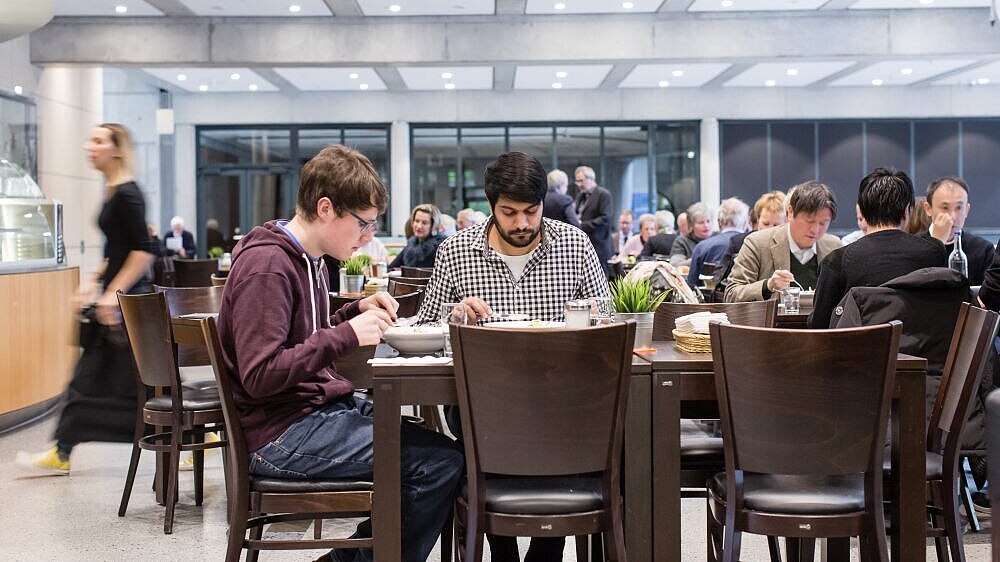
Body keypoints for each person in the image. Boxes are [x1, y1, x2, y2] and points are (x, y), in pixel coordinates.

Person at [217, 145, 463, 562]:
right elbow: (260, 375)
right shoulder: (269, 266)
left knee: (443, 452)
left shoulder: (308, 258)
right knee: (437, 465)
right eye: (363, 224)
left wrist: (353, 310)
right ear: (326, 208)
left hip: (310, 413)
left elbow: (303, 334)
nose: (368, 237)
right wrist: (347, 334)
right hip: (281, 433)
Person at [416, 151, 610, 562]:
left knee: (580, 420)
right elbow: (424, 329)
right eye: (509, 212)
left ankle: (546, 549)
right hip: (482, 403)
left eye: (531, 211)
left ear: (544, 204)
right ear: (491, 205)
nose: (522, 224)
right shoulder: (456, 251)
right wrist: (455, 315)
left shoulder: (574, 245)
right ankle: (501, 546)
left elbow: (607, 317)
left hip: (562, 400)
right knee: (478, 420)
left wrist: (589, 315)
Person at [16, 123, 157, 475]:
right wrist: (92, 281)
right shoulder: (112, 191)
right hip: (117, 302)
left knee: (128, 382)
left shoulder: (127, 194)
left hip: (126, 304)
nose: (88, 146)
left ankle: (180, 438)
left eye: (98, 140)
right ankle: (62, 449)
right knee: (94, 378)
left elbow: (144, 250)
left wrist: (112, 294)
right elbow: (118, 249)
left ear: (117, 149)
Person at [808, 168, 948, 329]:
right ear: (907, 210)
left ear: (863, 212)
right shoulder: (934, 252)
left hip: (859, 352)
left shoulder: (836, 261)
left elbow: (818, 326)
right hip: (924, 352)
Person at [724, 182, 840, 303]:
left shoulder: (834, 247)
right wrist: (767, 285)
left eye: (823, 223)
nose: (815, 230)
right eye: (809, 221)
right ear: (790, 213)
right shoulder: (757, 243)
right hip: (773, 321)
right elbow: (731, 294)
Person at [920, 176, 995, 285]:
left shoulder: (983, 250)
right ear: (928, 209)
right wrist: (936, 243)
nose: (953, 216)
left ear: (967, 210)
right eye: (945, 208)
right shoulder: (913, 247)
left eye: (959, 208)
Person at [712, 190, 787, 290]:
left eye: (776, 225)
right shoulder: (739, 242)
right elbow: (719, 279)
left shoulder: (792, 246)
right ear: (757, 220)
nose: (769, 229)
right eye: (765, 223)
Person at [686, 197, 749, 287]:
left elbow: (692, 286)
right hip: (750, 300)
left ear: (719, 222)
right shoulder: (755, 245)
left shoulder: (702, 247)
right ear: (746, 223)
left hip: (711, 300)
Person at [574, 165, 613, 276]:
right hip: (583, 246)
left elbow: (605, 218)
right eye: (577, 181)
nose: (579, 184)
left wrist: (582, 225)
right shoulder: (580, 196)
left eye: (581, 181)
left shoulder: (603, 194)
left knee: (600, 279)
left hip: (599, 246)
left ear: (591, 179)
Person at [389, 204, 447, 269]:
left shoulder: (441, 247)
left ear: (433, 226)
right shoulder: (412, 243)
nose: (419, 226)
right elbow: (391, 267)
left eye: (424, 223)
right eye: (417, 221)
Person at [669, 202, 713, 267]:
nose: (706, 225)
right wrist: (700, 259)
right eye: (701, 222)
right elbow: (675, 265)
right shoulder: (682, 241)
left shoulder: (718, 238)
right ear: (691, 225)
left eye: (708, 221)